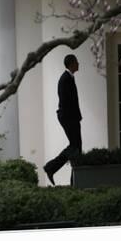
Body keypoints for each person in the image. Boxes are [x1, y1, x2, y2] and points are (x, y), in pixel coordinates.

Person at [43, 54, 82, 186]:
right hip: (69, 118)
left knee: (76, 148)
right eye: (77, 62)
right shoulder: (65, 79)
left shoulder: (69, 78)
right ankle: (51, 167)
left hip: (71, 118)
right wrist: (73, 119)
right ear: (71, 64)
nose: (79, 63)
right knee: (75, 147)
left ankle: (74, 181)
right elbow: (66, 102)